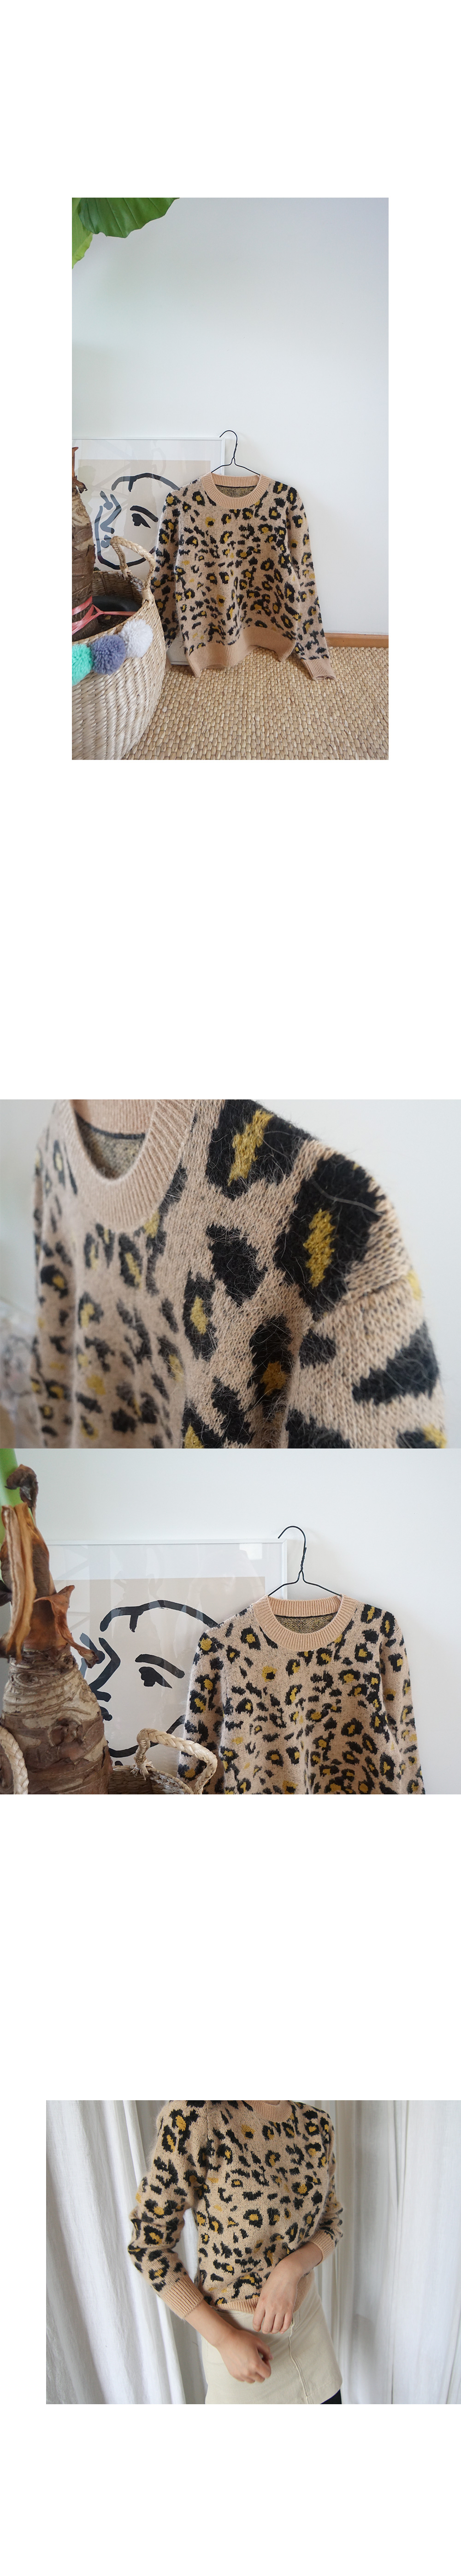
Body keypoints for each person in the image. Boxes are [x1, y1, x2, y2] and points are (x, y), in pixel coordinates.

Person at [128, 2099, 343, 2405]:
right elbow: (149, 2246)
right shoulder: (197, 2116)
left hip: (310, 2329)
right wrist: (223, 2339)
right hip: (241, 2344)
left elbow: (332, 2220)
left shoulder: (316, 2124)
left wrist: (291, 2270)